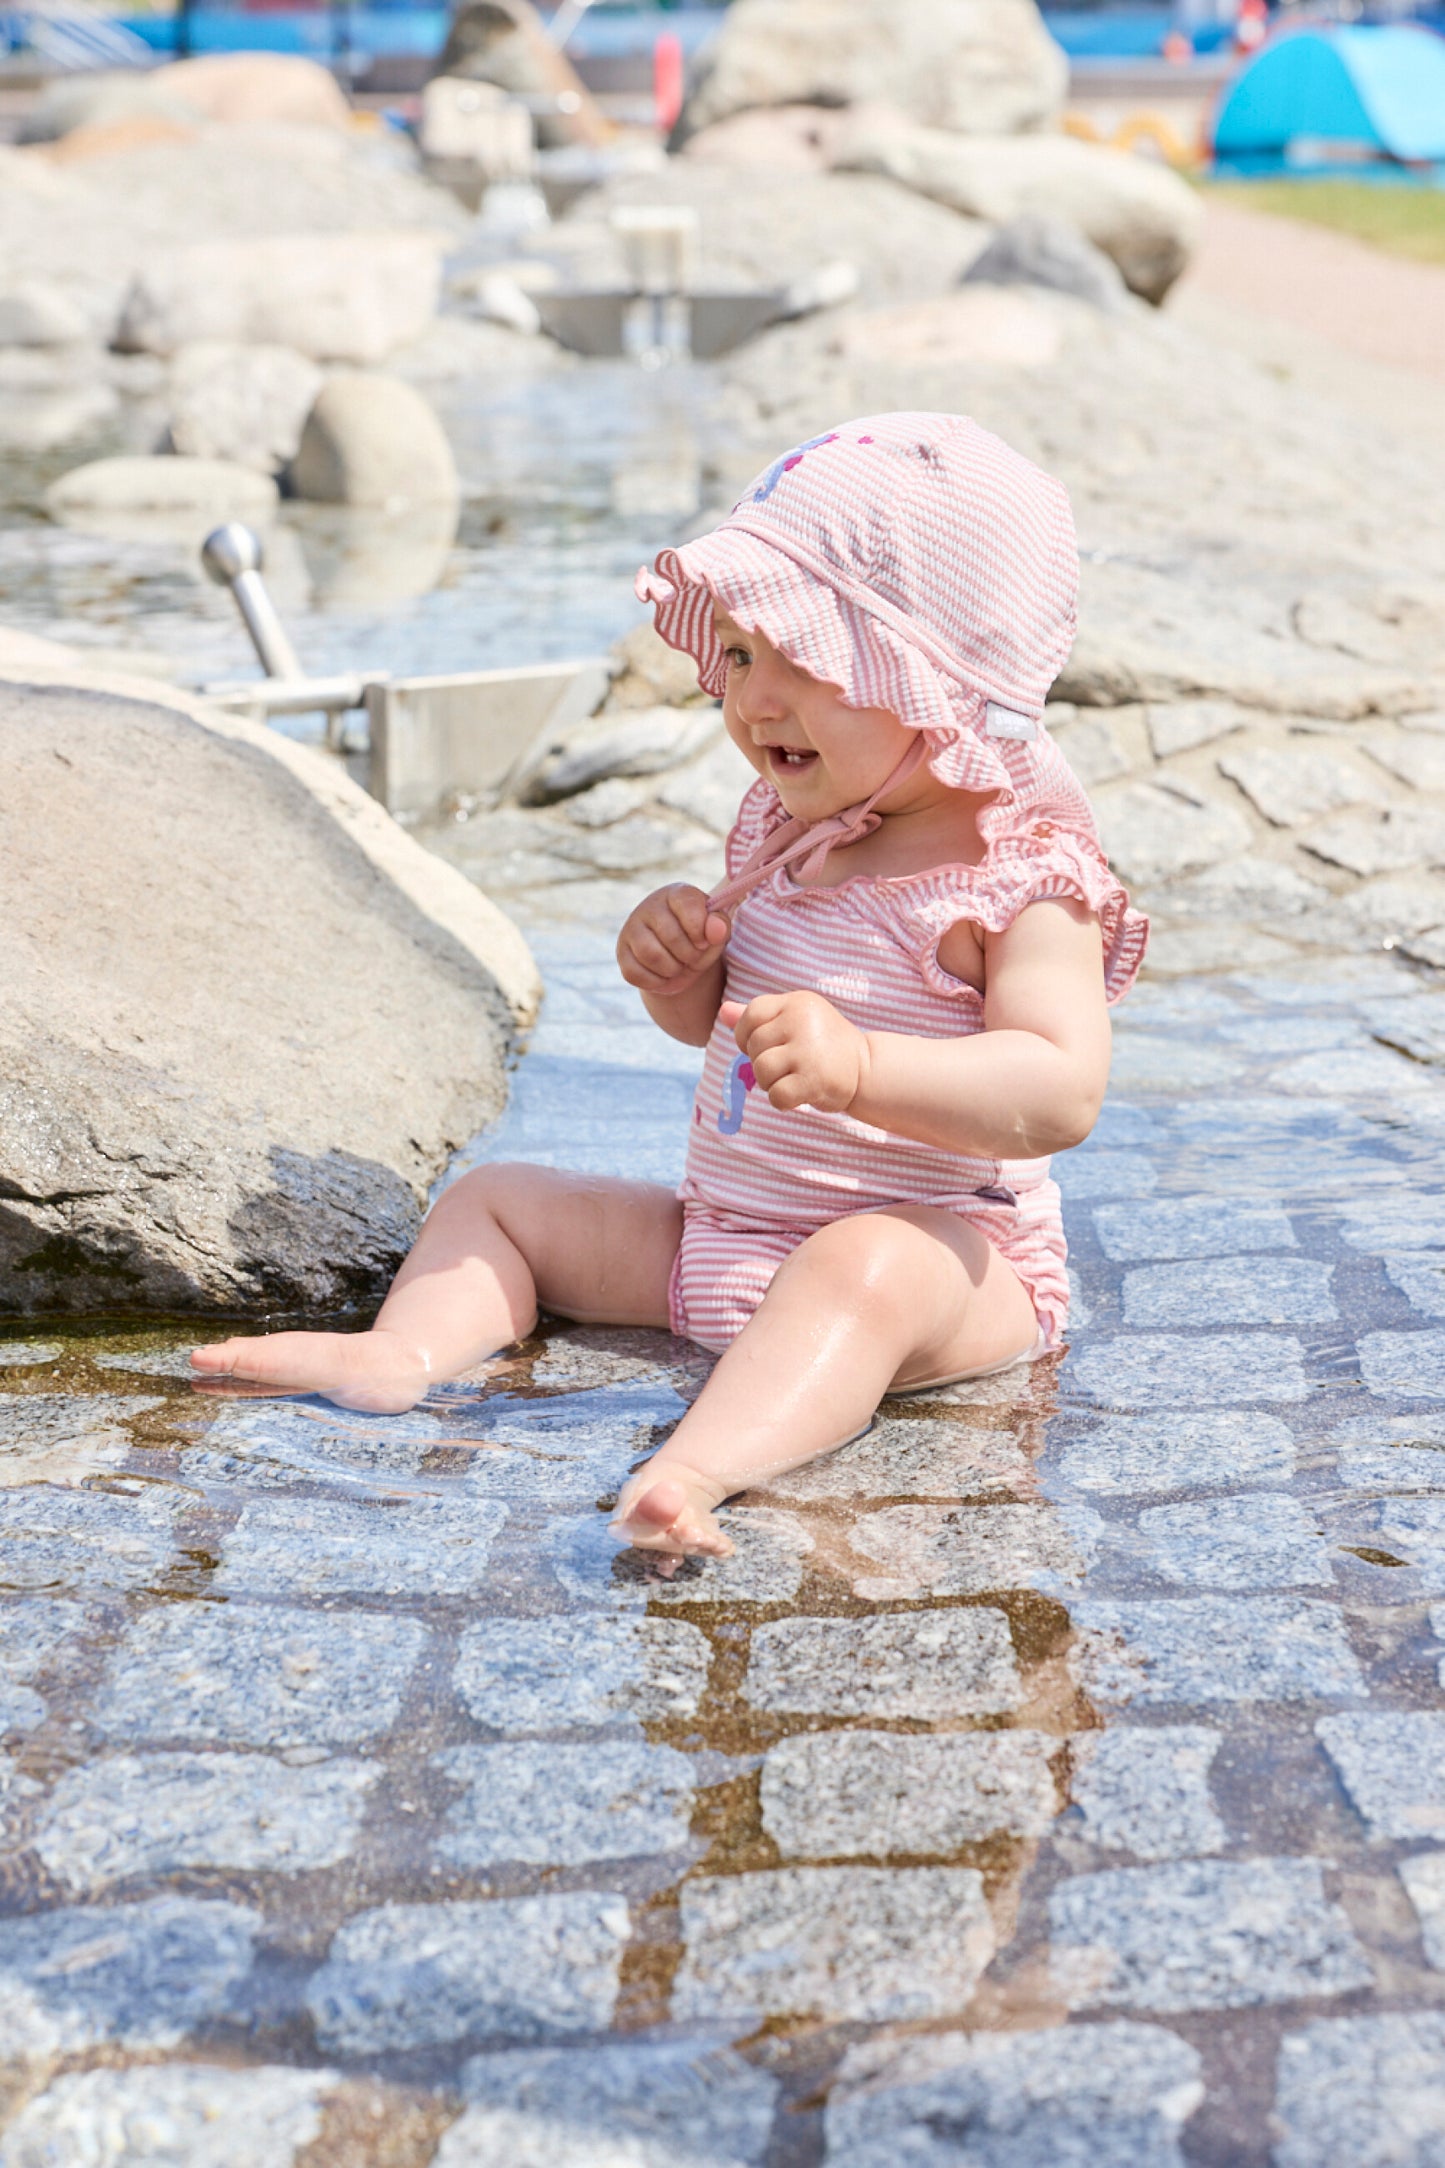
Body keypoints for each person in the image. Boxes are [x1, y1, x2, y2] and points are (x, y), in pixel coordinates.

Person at [192, 413, 1147, 1559]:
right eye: (739, 655)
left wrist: (862, 1066)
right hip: (721, 1240)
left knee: (862, 1264)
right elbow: (725, 1027)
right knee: (501, 1197)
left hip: (950, 1266)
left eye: (801, 657)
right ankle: (403, 1353)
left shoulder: (1018, 876)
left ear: (931, 679)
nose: (752, 699)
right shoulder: (788, 829)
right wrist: (679, 978)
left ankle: (696, 1465)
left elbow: (1057, 1087)